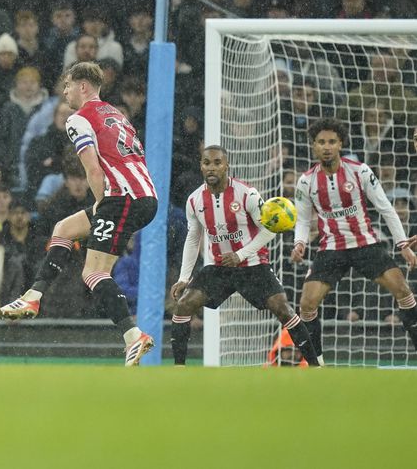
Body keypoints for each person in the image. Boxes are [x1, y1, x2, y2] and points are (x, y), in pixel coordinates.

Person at [0, 62, 158, 366]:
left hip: (120, 197)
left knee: (93, 272)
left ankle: (133, 335)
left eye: (68, 85)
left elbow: (93, 170)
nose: (65, 91)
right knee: (63, 228)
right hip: (140, 194)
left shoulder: (78, 119)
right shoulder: (115, 114)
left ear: (83, 86)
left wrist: (101, 205)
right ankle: (33, 296)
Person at [169, 145, 320, 366]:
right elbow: (193, 238)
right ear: (201, 166)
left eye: (217, 163)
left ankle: (315, 366)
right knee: (183, 305)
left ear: (226, 166)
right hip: (218, 268)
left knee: (282, 309)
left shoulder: (246, 193)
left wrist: (240, 254)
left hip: (253, 264)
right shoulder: (194, 200)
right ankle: (179, 368)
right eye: (206, 163)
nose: (211, 168)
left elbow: (269, 229)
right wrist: (183, 277)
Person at [291, 118, 417, 363]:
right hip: (330, 249)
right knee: (306, 304)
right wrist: (300, 244)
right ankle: (316, 364)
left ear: (340, 144)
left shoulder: (360, 171)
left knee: (403, 290)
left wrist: (403, 247)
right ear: (313, 146)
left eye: (331, 142)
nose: (326, 147)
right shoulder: (306, 181)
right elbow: (304, 221)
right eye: (321, 142)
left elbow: (386, 208)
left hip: (366, 244)